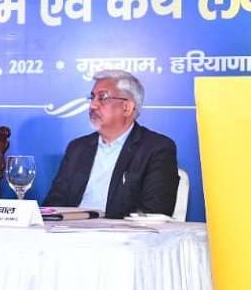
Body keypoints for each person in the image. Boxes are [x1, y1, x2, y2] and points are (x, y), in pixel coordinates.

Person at [45, 69, 179, 219]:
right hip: (69, 230)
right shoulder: (78, 148)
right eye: (92, 98)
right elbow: (53, 205)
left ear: (127, 107)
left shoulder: (156, 148)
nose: (92, 106)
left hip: (123, 232)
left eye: (102, 98)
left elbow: (155, 211)